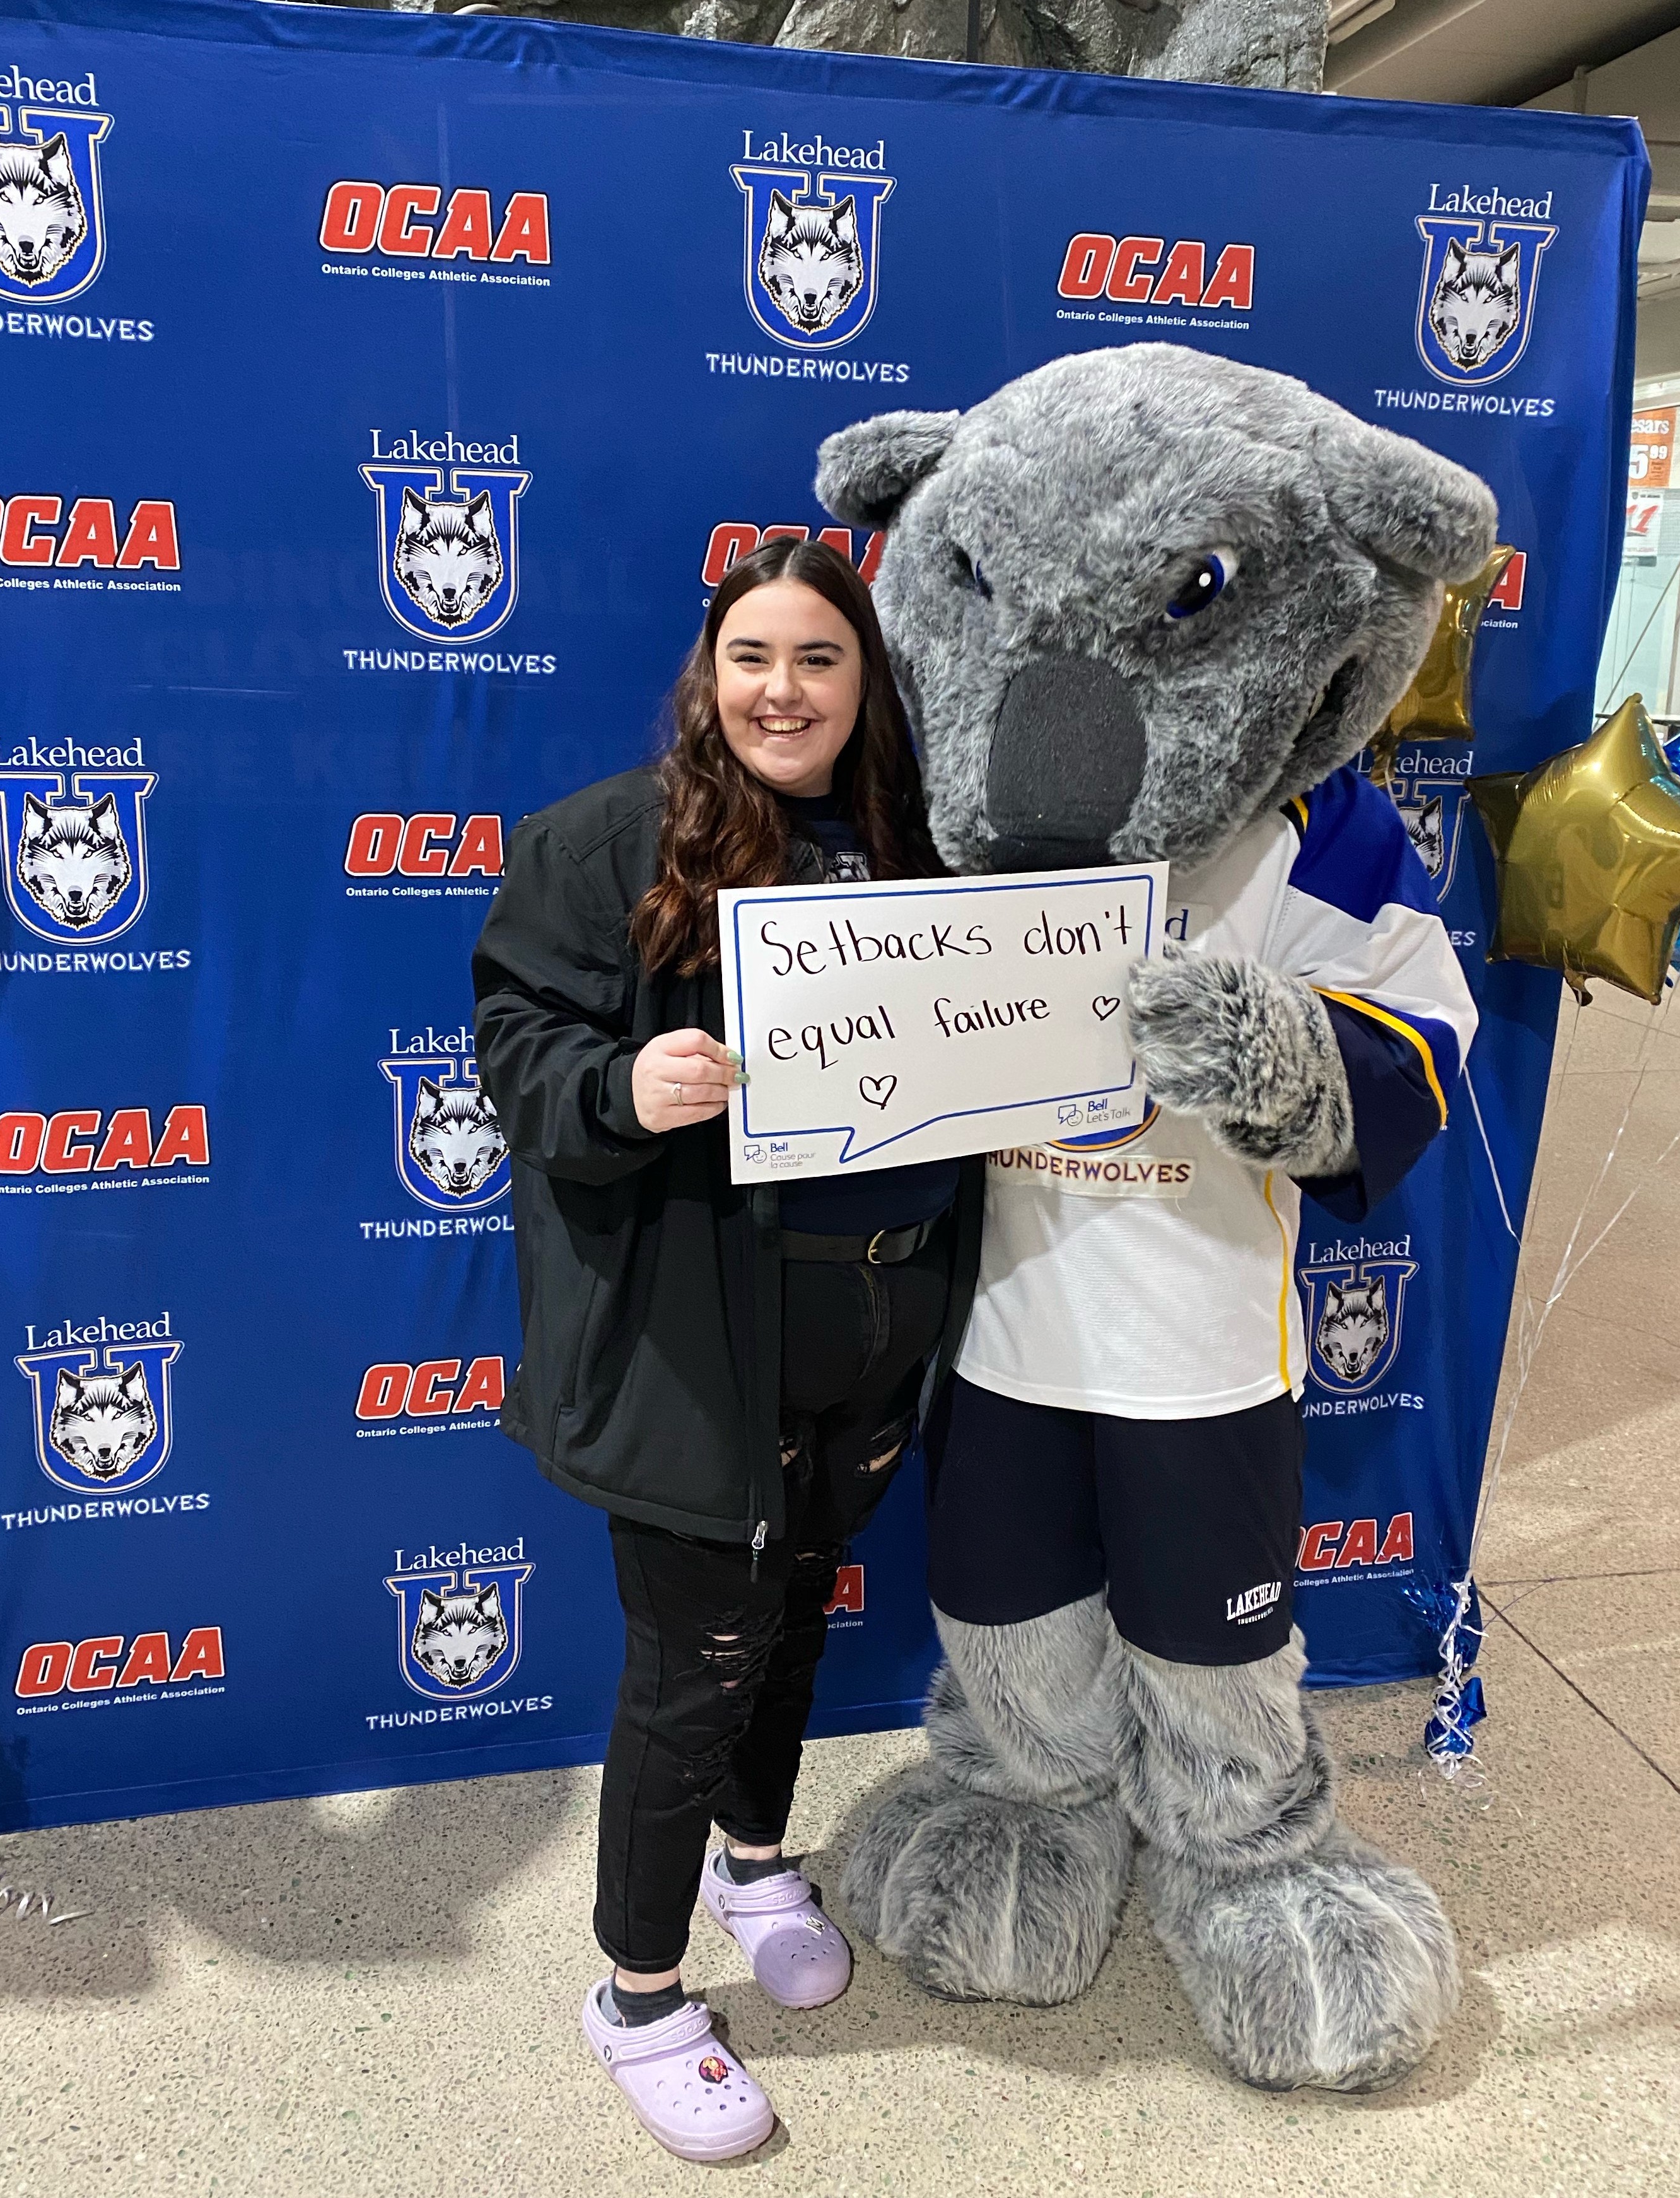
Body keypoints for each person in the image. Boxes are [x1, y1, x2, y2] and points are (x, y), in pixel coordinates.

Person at [472, 537, 983, 2162]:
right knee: (690, 1671)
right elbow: (520, 1051)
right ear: (710, 674)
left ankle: (755, 1854)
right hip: (703, 1349)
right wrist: (627, 1091)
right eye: (753, 656)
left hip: (876, 1326)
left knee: (801, 1621)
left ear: (866, 683)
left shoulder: (934, 850)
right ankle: (635, 1997)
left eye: (821, 659)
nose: (785, 690)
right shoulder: (607, 846)